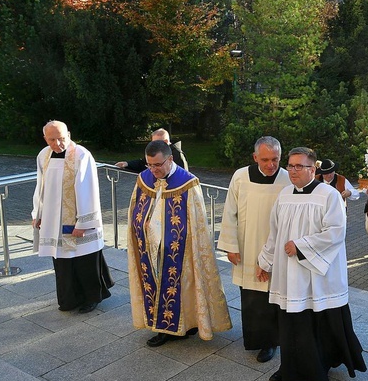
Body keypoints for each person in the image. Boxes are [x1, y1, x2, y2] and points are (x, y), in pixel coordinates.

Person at [257, 147, 367, 381]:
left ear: (313, 168)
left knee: (316, 320)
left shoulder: (328, 195)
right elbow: (275, 232)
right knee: (291, 322)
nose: (293, 171)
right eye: (291, 165)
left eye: (300, 166)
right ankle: (289, 366)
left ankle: (318, 367)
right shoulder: (284, 194)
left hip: (317, 273)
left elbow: (336, 232)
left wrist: (301, 246)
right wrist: (264, 262)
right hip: (289, 272)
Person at [128, 140, 231, 346]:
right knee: (155, 285)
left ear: (170, 159)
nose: (153, 170)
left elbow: (198, 222)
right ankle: (163, 326)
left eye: (158, 165)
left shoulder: (188, 183)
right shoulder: (144, 179)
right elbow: (135, 210)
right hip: (149, 247)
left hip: (180, 251)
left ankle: (183, 325)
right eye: (149, 165)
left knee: (184, 286)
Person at [217, 136, 290, 362]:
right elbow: (230, 212)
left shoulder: (287, 179)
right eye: (265, 159)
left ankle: (272, 341)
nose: (271, 165)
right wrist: (229, 245)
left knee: (273, 297)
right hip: (247, 247)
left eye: (275, 159)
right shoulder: (240, 177)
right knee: (251, 297)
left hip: (276, 249)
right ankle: (256, 339)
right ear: (255, 157)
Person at [32, 120, 113, 313]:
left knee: (84, 260)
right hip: (54, 219)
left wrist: (84, 222)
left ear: (68, 133)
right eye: (52, 139)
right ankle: (69, 299)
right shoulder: (43, 155)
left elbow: (88, 189)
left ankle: (92, 298)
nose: (58, 144)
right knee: (62, 261)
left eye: (62, 138)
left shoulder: (81, 155)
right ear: (45, 138)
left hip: (78, 218)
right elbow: (40, 187)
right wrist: (39, 213)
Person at [115, 128, 188, 172]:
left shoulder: (178, 155)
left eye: (157, 143)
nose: (154, 146)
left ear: (166, 142)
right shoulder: (155, 151)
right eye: (153, 143)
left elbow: (183, 175)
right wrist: (127, 164)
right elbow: (143, 163)